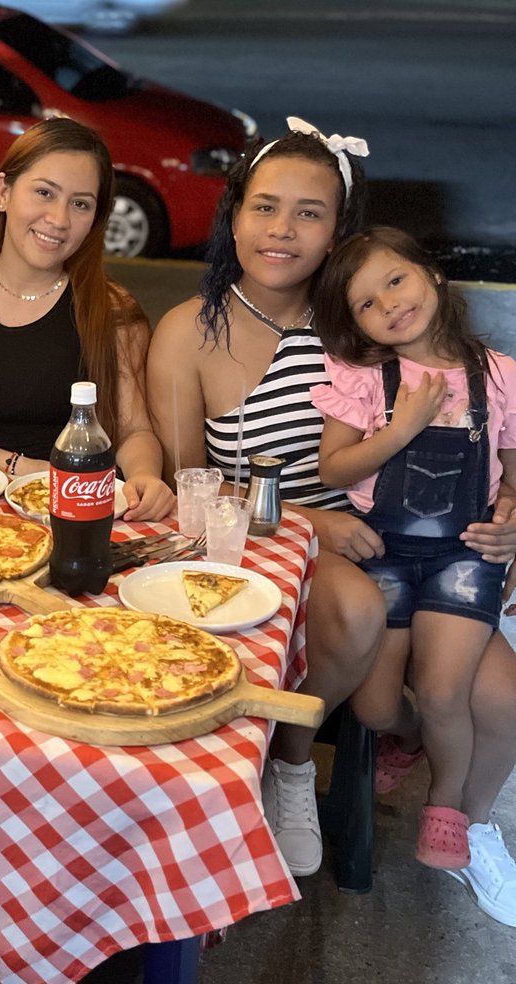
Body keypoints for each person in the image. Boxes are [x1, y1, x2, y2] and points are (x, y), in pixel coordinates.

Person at [148, 119, 516, 912]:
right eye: (264, 207)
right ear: (234, 214)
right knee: (357, 615)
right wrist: (311, 524)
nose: (282, 230)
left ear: (338, 230)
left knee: (499, 696)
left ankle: (467, 820)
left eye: (309, 213)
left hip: (414, 543)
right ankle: (288, 764)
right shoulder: (189, 332)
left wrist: (506, 514)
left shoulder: (369, 318)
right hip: (269, 538)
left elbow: (477, 416)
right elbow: (190, 486)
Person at [310, 226, 516, 873]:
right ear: (359, 326)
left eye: (395, 280)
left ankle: (448, 804)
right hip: (386, 552)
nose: (389, 304)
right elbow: (336, 471)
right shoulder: (367, 377)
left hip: (463, 557)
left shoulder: (498, 377)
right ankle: (413, 740)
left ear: (431, 273)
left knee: (443, 690)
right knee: (372, 708)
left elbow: (513, 475)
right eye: (367, 303)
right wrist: (403, 426)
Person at [0, 117, 174, 520]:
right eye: (44, 192)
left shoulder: (114, 308)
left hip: (80, 506)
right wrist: (21, 469)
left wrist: (145, 475)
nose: (59, 219)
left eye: (80, 203)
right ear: (3, 192)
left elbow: (136, 430)